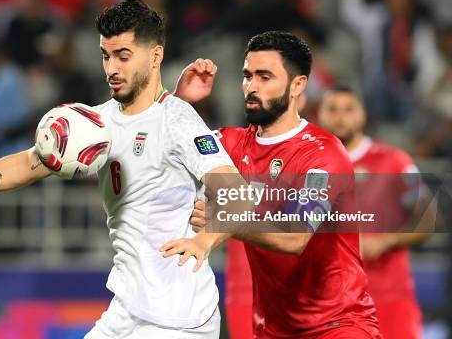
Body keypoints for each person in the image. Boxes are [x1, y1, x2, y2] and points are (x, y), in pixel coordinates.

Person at [0, 0, 247, 338]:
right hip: (127, 312)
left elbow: (237, 193)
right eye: (105, 55)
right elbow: (28, 163)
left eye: (123, 55)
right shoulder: (95, 123)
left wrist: (204, 241)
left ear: (155, 56)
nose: (111, 68)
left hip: (177, 322)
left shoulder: (179, 119)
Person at [163, 31, 382, 338]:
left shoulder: (323, 154)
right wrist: (180, 104)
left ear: (298, 85)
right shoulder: (231, 144)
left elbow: (295, 237)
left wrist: (224, 220)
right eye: (247, 76)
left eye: (265, 77)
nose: (251, 87)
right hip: (273, 329)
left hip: (338, 325)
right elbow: (165, 148)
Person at [318, 86, 431, 339]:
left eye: (349, 109)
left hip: (389, 295)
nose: (340, 117)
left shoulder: (393, 162)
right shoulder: (309, 165)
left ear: (363, 115)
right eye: (332, 109)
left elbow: (430, 218)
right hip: (331, 301)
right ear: (320, 115)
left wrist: (388, 239)